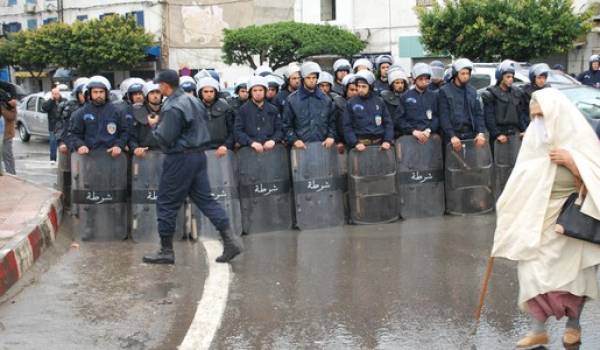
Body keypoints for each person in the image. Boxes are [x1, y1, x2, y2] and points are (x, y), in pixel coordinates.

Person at [491, 88, 600, 348]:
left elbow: (595, 180)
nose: (538, 123)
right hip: (537, 220)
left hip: (572, 222)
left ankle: (574, 325)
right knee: (531, 273)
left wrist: (573, 164)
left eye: (542, 116)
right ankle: (538, 329)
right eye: (534, 117)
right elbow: (520, 182)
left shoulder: (582, 142)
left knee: (575, 279)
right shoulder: (533, 144)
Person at [143, 69, 241, 264]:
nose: (158, 88)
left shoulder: (172, 106)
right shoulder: (193, 100)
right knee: (206, 200)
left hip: (179, 158)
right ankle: (230, 240)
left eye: (159, 85)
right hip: (198, 156)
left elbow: (165, 138)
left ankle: (166, 250)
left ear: (165, 85)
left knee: (166, 202)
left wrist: (154, 126)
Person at [70, 75, 129, 158]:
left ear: (107, 93)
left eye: (101, 92)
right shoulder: (81, 113)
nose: (98, 95)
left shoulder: (117, 112)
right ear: (90, 93)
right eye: (95, 92)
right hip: (89, 157)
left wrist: (119, 146)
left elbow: (124, 132)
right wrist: (80, 145)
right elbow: (74, 134)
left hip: (112, 157)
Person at [283, 61, 336, 150]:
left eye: (314, 77)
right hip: (301, 148)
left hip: (322, 147)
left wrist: (331, 136)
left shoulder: (326, 100)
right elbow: (286, 125)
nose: (311, 80)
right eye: (308, 78)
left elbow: (332, 122)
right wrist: (294, 140)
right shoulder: (292, 100)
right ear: (303, 79)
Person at [438, 58, 487, 151]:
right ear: (456, 74)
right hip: (452, 137)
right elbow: (444, 116)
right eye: (463, 73)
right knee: (452, 164)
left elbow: (478, 113)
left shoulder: (472, 91)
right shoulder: (444, 91)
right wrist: (452, 135)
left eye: (468, 73)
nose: (466, 76)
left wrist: (480, 133)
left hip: (470, 135)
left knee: (472, 164)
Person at [343, 70, 394, 151]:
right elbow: (347, 126)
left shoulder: (379, 101)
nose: (360, 89)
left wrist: (387, 140)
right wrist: (355, 143)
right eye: (358, 86)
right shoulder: (351, 103)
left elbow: (388, 123)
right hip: (360, 146)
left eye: (363, 86)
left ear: (370, 87)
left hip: (379, 145)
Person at [481, 60, 528, 145]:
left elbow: (520, 114)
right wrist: (497, 134)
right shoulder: (491, 93)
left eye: (512, 77)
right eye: (508, 77)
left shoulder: (517, 92)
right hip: (499, 136)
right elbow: (489, 117)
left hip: (515, 134)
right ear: (500, 77)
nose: (511, 79)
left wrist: (524, 130)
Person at [234, 76, 283, 151]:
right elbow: (238, 131)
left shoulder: (273, 109)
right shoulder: (243, 110)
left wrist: (273, 140)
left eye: (261, 90)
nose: (258, 93)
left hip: (271, 151)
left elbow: (279, 129)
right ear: (250, 92)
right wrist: (251, 142)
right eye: (255, 90)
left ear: (265, 91)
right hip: (249, 151)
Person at [395, 63, 439, 142]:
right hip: (410, 138)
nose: (424, 81)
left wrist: (429, 130)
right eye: (421, 79)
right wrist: (413, 131)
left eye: (426, 79)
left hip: (430, 138)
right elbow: (399, 119)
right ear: (415, 80)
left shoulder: (434, 96)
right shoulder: (405, 96)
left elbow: (437, 116)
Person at [195, 76, 234, 157]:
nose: (209, 94)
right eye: (205, 91)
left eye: (211, 91)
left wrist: (226, 146)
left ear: (215, 92)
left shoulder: (225, 107)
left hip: (222, 151)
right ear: (200, 93)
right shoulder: (194, 108)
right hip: (201, 151)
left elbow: (232, 131)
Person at [128, 82, 162, 156]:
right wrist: (135, 148)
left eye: (157, 92)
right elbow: (132, 136)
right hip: (144, 154)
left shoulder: (167, 111)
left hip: (164, 154)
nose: (155, 95)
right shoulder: (138, 112)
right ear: (146, 95)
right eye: (152, 93)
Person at [56, 77, 89, 155]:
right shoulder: (70, 108)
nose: (84, 96)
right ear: (77, 94)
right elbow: (62, 126)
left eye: (86, 93)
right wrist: (61, 142)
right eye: (81, 93)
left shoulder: (96, 108)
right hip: (73, 148)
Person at [42, 87, 66, 163]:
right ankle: (53, 159)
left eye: (57, 93)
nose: (56, 95)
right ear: (52, 94)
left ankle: (64, 159)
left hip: (62, 126)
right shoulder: (50, 102)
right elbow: (44, 108)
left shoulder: (64, 101)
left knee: (63, 142)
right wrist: (51, 100)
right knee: (53, 142)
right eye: (54, 94)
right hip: (52, 126)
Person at [1, 93, 17, 174]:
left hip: (6, 134)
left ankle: (11, 174)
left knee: (7, 156)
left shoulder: (10, 104)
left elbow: (12, 117)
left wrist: (2, 110)